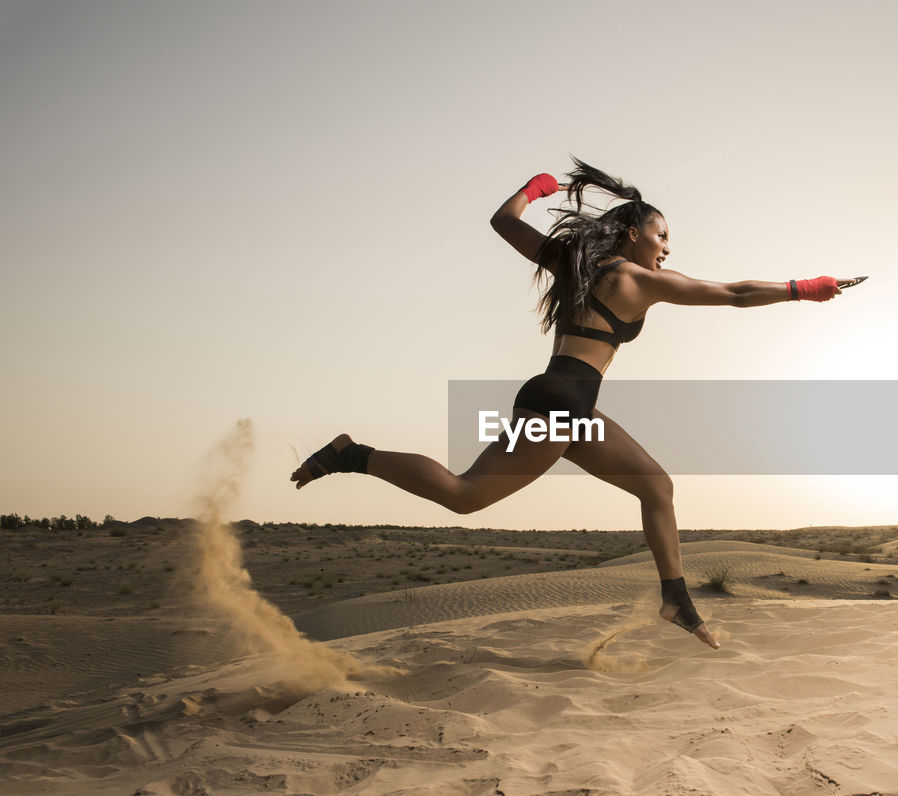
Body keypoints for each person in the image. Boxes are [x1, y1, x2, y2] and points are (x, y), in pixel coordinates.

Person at [291, 158, 863, 650]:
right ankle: (352, 453)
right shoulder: (636, 280)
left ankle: (676, 600)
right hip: (562, 404)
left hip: (566, 404)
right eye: (662, 236)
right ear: (634, 234)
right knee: (464, 496)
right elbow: (734, 296)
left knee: (656, 487)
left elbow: (503, 222)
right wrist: (806, 288)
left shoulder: (575, 263)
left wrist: (536, 188)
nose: (667, 248)